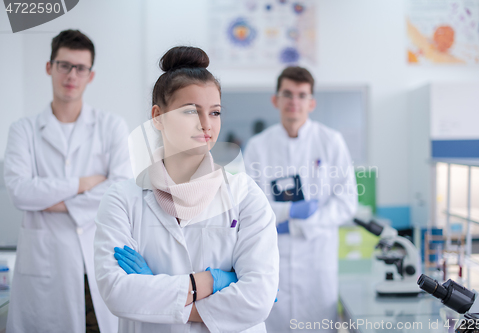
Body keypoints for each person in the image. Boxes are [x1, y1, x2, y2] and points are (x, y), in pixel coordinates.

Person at [93, 46, 279, 333]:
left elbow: (258, 300)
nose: (206, 124)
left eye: (214, 112)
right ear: (158, 117)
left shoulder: (245, 195)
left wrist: (161, 297)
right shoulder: (121, 200)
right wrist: (208, 282)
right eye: (191, 111)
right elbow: (117, 293)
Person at [4, 29, 131, 333]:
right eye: (64, 65)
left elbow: (120, 189)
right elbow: (20, 192)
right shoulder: (23, 130)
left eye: (80, 68)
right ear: (50, 67)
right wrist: (84, 182)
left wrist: (52, 202)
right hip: (45, 267)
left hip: (98, 257)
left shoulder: (111, 126)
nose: (71, 75)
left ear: (91, 75)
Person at [244, 66, 358, 332]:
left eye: (301, 95)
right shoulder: (259, 147)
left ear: (312, 102)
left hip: (317, 259)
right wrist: (288, 214)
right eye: (287, 94)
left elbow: (346, 202)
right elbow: (250, 205)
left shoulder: (331, 141)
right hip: (273, 258)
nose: (294, 101)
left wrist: (302, 224)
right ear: (276, 100)